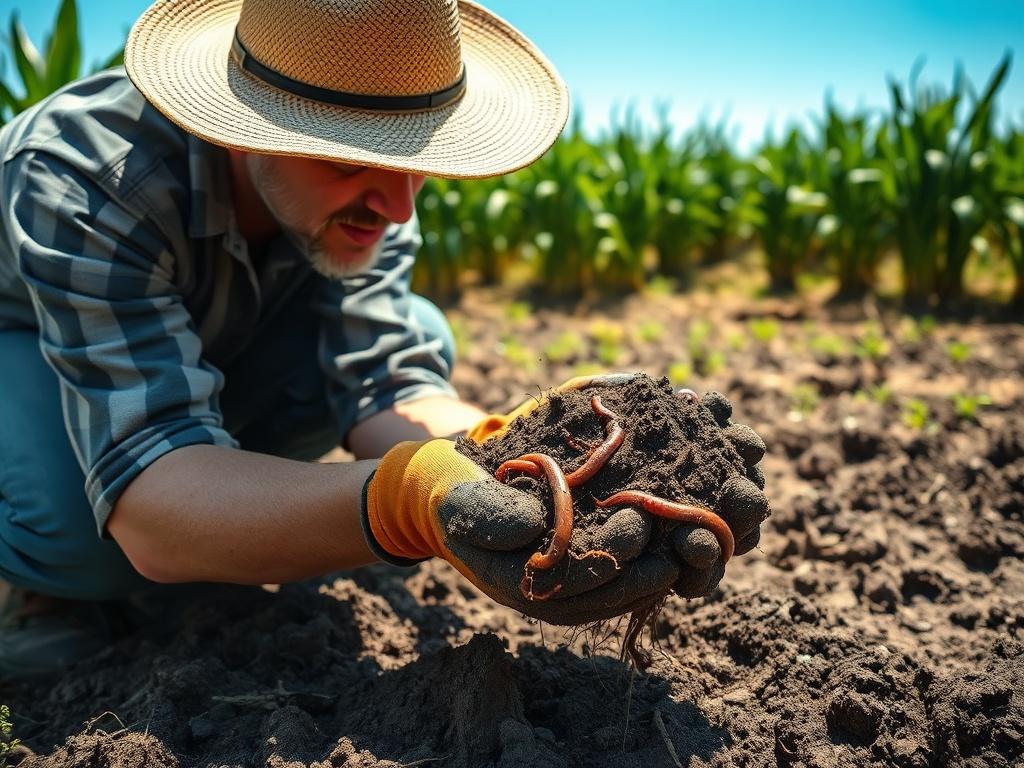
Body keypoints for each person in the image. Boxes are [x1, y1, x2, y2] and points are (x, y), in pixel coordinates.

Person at [0, 0, 768, 681]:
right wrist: (401, 506)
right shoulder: (90, 177)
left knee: (420, 330)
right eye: (350, 157)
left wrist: (515, 453)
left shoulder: (372, 197)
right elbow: (148, 496)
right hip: (36, 364)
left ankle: (226, 517)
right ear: (247, 129)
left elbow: (390, 386)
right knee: (87, 530)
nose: (400, 206)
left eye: (415, 161)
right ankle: (31, 588)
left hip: (182, 370)